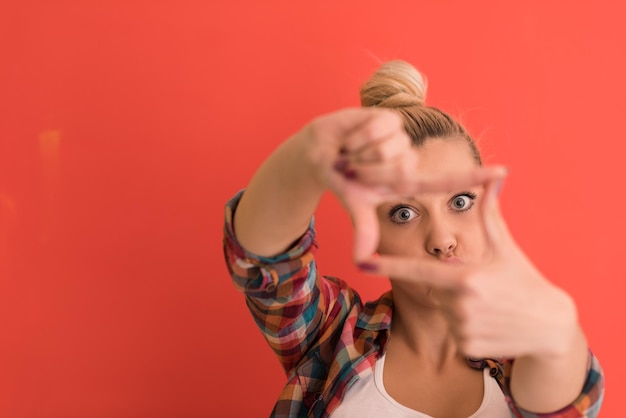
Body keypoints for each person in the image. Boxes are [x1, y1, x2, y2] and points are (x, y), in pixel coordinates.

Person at [222, 60, 604, 417]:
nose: (441, 238)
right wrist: (307, 152)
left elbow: (564, 399)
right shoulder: (332, 338)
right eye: (404, 213)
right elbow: (264, 264)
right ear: (370, 231)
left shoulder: (523, 356)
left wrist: (559, 328)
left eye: (460, 201)